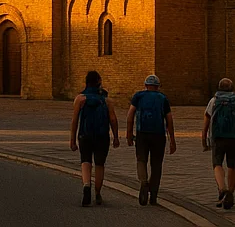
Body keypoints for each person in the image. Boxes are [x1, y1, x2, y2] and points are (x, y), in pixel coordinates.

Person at [69, 70, 120, 206]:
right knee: (99, 164)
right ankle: (97, 193)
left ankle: (86, 185)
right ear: (99, 82)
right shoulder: (106, 100)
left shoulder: (80, 99)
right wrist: (116, 137)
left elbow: (75, 121)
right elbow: (113, 119)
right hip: (102, 136)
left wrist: (72, 139)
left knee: (85, 161)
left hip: (85, 134)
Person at [202, 77, 235, 210]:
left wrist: (204, 138)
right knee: (232, 166)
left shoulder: (214, 100)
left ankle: (222, 188)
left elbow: (206, 120)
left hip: (218, 137)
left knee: (217, 164)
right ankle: (230, 192)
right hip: (234, 138)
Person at [126, 74, 176, 206]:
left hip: (142, 133)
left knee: (141, 160)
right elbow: (169, 119)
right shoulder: (163, 98)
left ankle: (143, 182)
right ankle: (153, 195)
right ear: (158, 87)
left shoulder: (138, 96)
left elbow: (130, 115)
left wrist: (129, 134)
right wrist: (172, 140)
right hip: (158, 135)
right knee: (156, 164)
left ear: (145, 85)